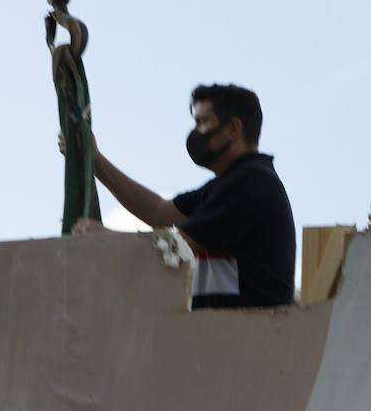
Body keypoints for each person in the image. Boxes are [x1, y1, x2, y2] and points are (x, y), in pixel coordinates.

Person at [69, 84, 296, 310]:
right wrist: (95, 161)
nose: (195, 132)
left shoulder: (250, 182)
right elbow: (157, 211)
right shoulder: (230, 184)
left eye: (203, 122)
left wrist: (106, 240)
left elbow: (175, 249)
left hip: (246, 336)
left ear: (234, 129)